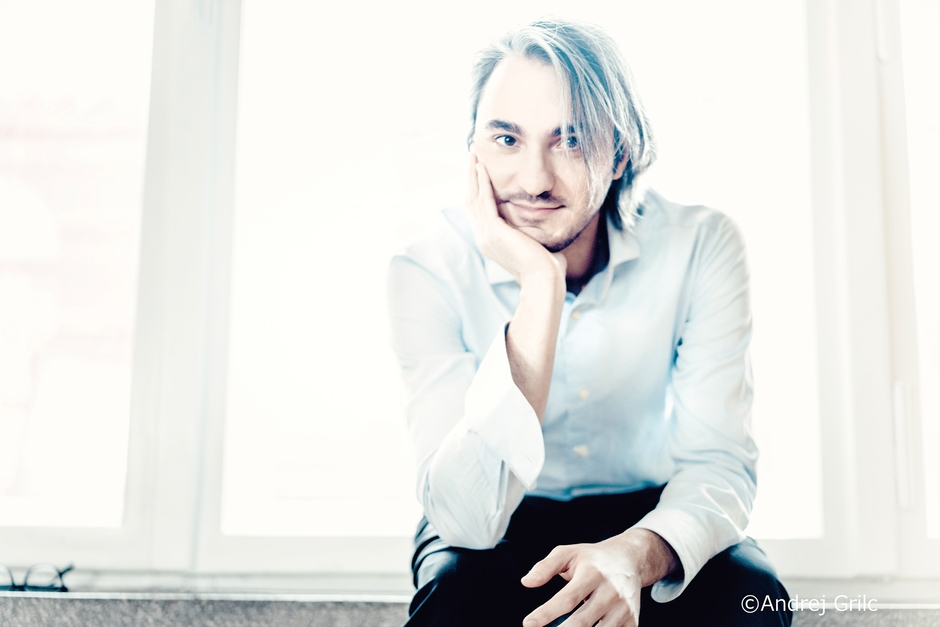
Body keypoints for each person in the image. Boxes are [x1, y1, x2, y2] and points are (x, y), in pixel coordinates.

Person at [387, 17, 792, 627]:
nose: (534, 181)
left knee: (751, 595)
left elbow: (719, 461)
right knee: (457, 596)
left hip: (649, 513)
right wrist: (540, 285)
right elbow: (467, 520)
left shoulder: (701, 245)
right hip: (496, 517)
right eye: (506, 139)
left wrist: (635, 554)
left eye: (570, 141)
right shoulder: (427, 269)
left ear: (620, 152)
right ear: (473, 151)